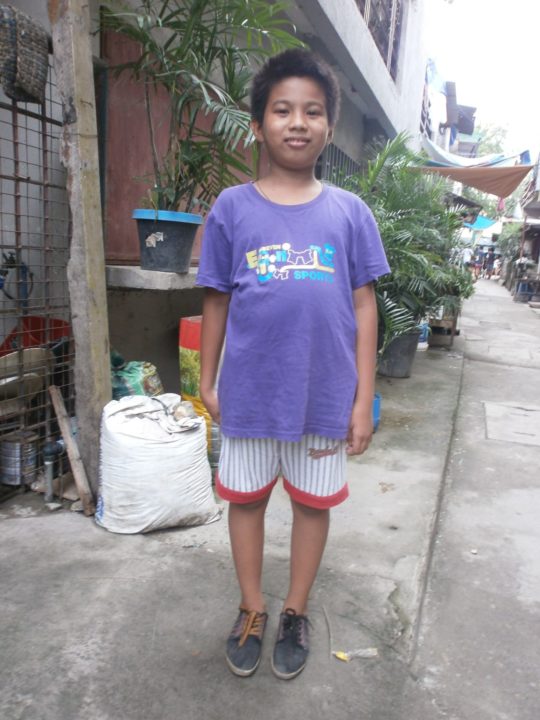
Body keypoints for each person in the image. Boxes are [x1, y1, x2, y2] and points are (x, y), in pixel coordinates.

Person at [197, 48, 390, 681]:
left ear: (329, 128)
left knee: (312, 506)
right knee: (246, 501)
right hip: (251, 392)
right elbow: (217, 298)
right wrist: (206, 378)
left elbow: (365, 307)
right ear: (258, 124)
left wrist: (362, 400)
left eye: (312, 111)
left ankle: (295, 610)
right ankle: (252, 607)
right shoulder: (232, 207)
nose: (297, 121)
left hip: (323, 396)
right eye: (282, 109)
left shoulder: (349, 213)